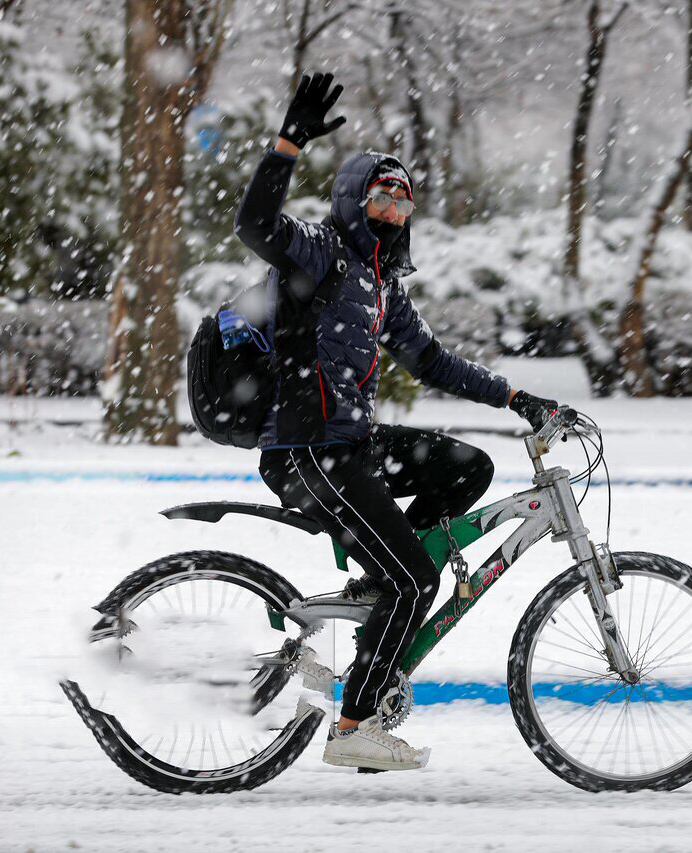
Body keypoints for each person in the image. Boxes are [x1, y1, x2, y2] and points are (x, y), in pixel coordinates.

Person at [234, 71, 561, 772]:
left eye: (404, 196)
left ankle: (382, 590)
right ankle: (353, 726)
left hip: (347, 444)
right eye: (381, 193)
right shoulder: (323, 251)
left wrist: (517, 398)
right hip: (306, 453)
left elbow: (435, 362)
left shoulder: (381, 286)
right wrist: (288, 143)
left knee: (468, 467)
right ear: (354, 199)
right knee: (419, 581)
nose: (393, 206)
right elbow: (254, 224)